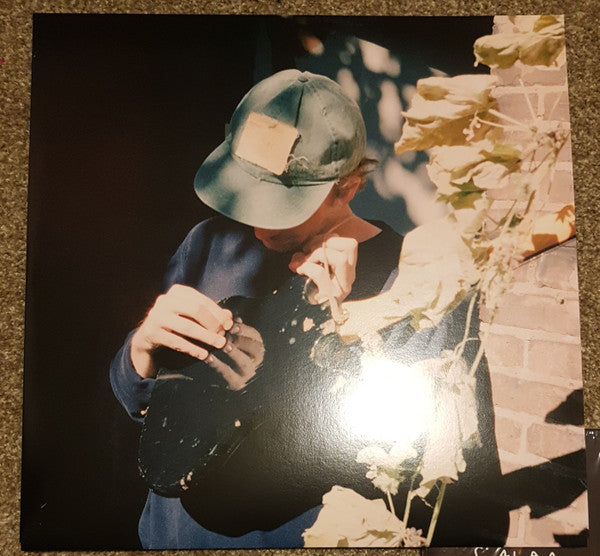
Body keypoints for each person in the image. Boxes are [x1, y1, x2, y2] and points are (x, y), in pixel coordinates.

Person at [110, 69, 508, 548]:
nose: (257, 226)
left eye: (282, 206)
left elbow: (425, 468)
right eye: (248, 194)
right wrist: (140, 355)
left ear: (348, 186)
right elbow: (145, 403)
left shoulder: (416, 284)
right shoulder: (210, 243)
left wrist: (344, 331)